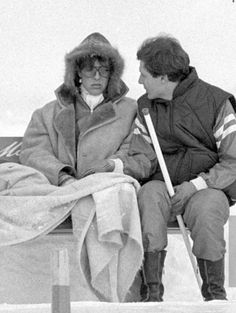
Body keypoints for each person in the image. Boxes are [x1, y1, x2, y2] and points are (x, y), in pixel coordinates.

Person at [119, 34, 236, 302]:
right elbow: (142, 156)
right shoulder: (146, 107)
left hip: (208, 185)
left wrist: (197, 185)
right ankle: (151, 294)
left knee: (207, 213)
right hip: (163, 184)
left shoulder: (216, 103)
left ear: (163, 77)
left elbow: (233, 161)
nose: (139, 82)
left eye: (144, 74)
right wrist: (116, 167)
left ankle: (214, 297)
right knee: (148, 197)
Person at [20, 32, 137, 186]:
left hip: (108, 188)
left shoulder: (131, 110)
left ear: (112, 74)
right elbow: (33, 153)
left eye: (104, 70)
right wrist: (62, 177)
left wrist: (110, 165)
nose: (97, 77)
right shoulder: (46, 114)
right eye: (89, 69)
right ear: (78, 72)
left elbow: (134, 150)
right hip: (59, 190)